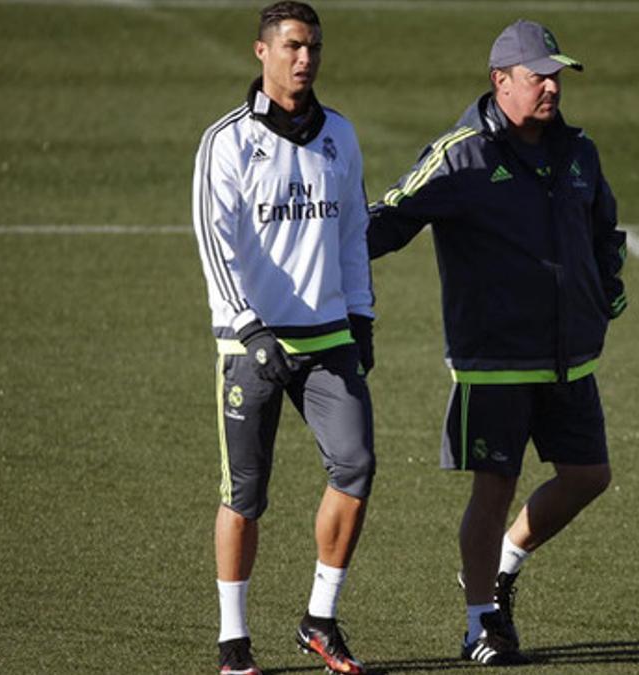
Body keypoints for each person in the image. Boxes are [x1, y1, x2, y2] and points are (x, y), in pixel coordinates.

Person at [367, 18, 627, 667]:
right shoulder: (461, 155)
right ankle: (479, 622)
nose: (551, 87)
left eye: (556, 75)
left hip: (570, 355)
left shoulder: (578, 152)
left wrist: (608, 283)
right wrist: (323, 250)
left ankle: (504, 566)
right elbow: (392, 216)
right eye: (538, 76)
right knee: (494, 488)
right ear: (500, 81)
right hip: (495, 360)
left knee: (589, 475)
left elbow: (604, 227)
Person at [191, 3, 374, 673]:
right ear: (261, 53)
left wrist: (361, 316)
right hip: (250, 344)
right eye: (294, 46)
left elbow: (352, 231)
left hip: (327, 339)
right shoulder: (227, 142)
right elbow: (216, 246)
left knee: (355, 467)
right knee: (245, 492)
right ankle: (233, 642)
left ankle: (319, 619)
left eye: (315, 48)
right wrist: (248, 326)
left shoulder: (342, 137)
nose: (306, 59)